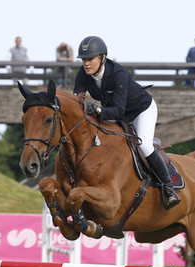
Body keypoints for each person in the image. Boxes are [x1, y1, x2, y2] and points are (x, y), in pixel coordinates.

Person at [73, 36, 180, 209]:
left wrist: (98, 110)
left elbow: (119, 111)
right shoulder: (83, 74)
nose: (86, 63)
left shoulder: (118, 74)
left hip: (140, 110)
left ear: (102, 58)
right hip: (115, 111)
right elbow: (77, 99)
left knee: (144, 145)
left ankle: (168, 187)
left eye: (90, 59)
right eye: (84, 59)